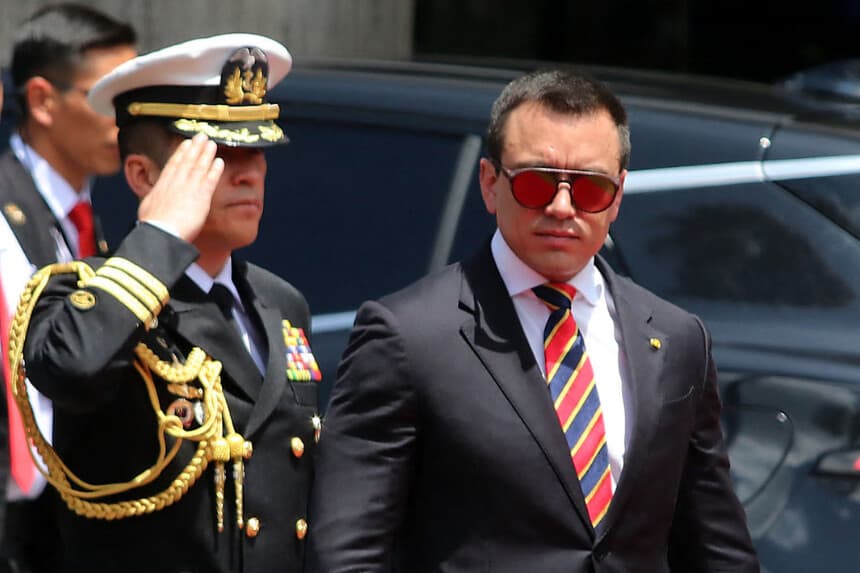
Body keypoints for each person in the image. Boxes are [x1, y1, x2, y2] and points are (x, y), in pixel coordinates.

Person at [307, 68, 761, 572]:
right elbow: (346, 555)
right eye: (536, 183)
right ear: (489, 183)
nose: (562, 206)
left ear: (618, 196)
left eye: (590, 190)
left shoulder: (676, 340)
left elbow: (718, 548)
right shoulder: (408, 337)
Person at [14, 33, 319, 573]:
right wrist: (159, 236)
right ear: (143, 175)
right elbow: (69, 367)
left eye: (257, 149)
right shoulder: (83, 293)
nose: (248, 171)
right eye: (218, 155)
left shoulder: (279, 301)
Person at [0, 5, 136, 571]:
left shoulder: (86, 221)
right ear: (41, 100)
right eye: (108, 100)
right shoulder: (7, 211)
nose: (125, 122)